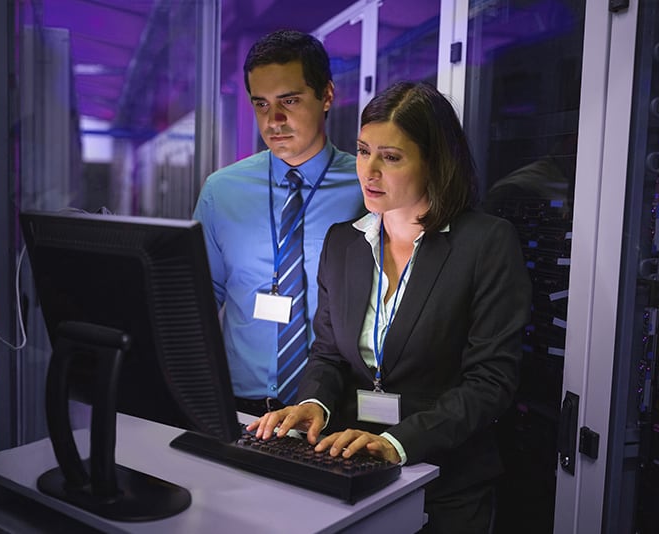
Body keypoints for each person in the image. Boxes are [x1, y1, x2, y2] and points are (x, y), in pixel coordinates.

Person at [248, 81, 532, 533]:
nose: (369, 171)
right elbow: (328, 355)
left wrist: (397, 443)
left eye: (391, 157)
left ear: (435, 164)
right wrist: (314, 403)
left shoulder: (486, 243)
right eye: (363, 151)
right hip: (350, 468)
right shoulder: (344, 243)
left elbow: (490, 383)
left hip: (445, 478)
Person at [193, 30, 364, 416]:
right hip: (240, 406)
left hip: (332, 409)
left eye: (289, 100)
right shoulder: (222, 191)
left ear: (327, 96)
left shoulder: (367, 188)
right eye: (261, 104)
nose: (275, 120)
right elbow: (198, 302)